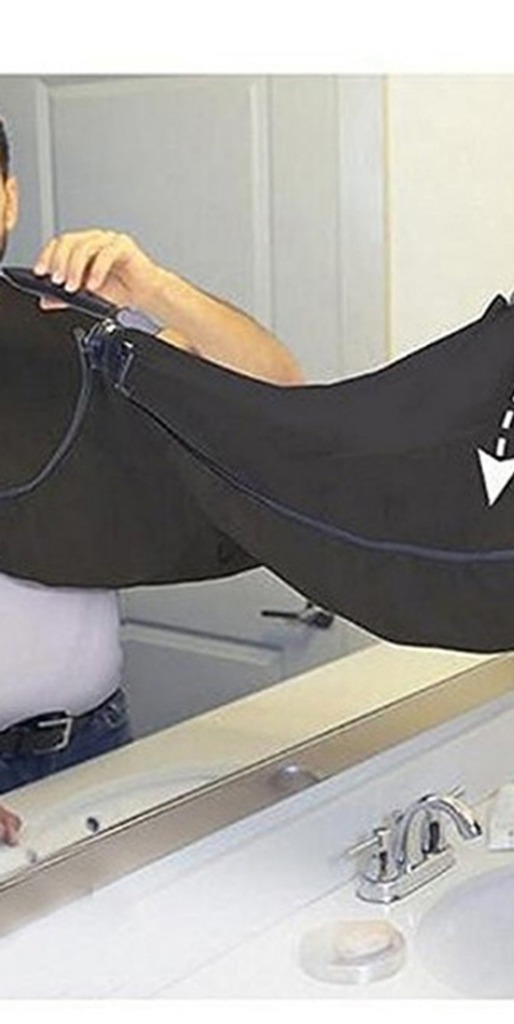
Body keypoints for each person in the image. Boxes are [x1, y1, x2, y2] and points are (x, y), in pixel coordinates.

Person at [0, 115, 303, 847]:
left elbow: (279, 394)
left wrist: (155, 288)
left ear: (8, 199)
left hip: (95, 737)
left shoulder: (67, 322)